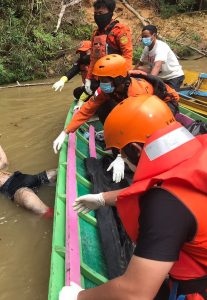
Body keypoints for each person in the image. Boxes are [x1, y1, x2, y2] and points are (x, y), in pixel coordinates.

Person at [60, 95, 207, 300]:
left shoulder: (166, 205)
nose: (122, 159)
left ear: (135, 149)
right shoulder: (197, 154)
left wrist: (78, 296)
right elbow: (179, 191)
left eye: (121, 154)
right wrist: (103, 198)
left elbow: (135, 293)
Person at [53, 54, 179, 183]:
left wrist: (121, 156)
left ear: (118, 79)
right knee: (102, 107)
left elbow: (131, 126)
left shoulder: (137, 93)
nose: (102, 84)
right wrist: (66, 131)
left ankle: (151, 165)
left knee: (148, 134)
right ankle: (120, 153)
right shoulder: (108, 89)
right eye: (100, 80)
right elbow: (88, 109)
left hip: (164, 104)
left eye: (105, 80)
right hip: (138, 106)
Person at [84, 0, 133, 96]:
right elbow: (93, 59)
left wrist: (124, 78)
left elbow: (127, 55)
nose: (98, 16)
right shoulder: (96, 34)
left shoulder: (120, 30)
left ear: (110, 13)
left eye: (101, 13)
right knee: (80, 93)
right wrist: (88, 78)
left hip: (116, 77)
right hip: (100, 76)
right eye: (96, 13)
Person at [0, 145, 56, 216]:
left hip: (20, 177)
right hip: (13, 189)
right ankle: (55, 216)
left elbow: (5, 163)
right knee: (27, 198)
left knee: (54, 173)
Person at [135, 25, 184, 91]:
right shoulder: (146, 48)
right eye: (143, 37)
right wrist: (130, 74)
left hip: (173, 77)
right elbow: (139, 64)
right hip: (161, 77)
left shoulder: (161, 47)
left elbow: (157, 66)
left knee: (168, 96)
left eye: (146, 36)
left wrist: (150, 82)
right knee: (139, 69)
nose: (144, 39)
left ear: (154, 35)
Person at [52, 40, 97, 109]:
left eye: (84, 52)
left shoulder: (97, 62)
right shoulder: (80, 62)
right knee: (76, 92)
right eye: (81, 53)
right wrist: (62, 81)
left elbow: (94, 84)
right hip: (87, 88)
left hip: (97, 88)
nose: (82, 55)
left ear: (91, 50)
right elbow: (72, 71)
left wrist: (81, 101)